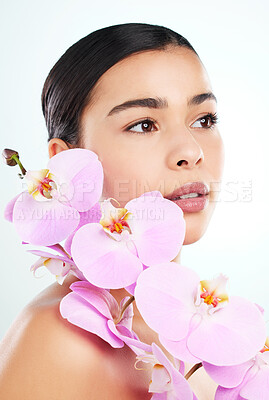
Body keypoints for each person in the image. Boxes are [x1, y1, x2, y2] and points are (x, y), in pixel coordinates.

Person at [0, 22, 225, 399]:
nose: (190, 151)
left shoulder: (210, 335)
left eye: (204, 120)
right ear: (67, 162)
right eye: (144, 124)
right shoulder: (58, 340)